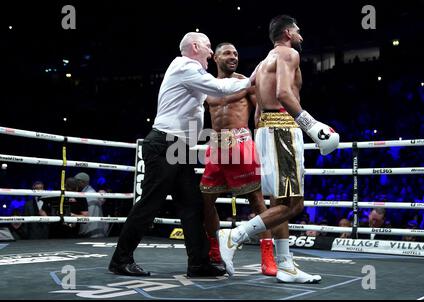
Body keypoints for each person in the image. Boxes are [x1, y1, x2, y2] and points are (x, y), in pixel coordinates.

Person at [109, 32, 253, 277]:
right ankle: (120, 260)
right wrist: (255, 79)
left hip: (179, 146)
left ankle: (198, 263)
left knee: (192, 205)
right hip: (165, 143)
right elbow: (218, 87)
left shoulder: (188, 71)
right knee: (150, 203)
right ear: (195, 47)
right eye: (208, 47)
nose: (210, 53)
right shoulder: (184, 65)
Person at [217, 15, 339, 283]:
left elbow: (257, 107)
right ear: (287, 32)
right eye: (297, 30)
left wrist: (263, 134)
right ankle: (235, 235)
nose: (301, 36)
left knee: (280, 202)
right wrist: (312, 126)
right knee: (294, 204)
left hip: (265, 130)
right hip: (282, 128)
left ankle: (285, 265)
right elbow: (284, 92)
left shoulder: (262, 63)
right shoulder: (288, 53)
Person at [200, 42, 277, 276]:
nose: (233, 57)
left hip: (241, 141)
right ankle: (215, 251)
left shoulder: (246, 82)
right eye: (227, 53)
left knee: (256, 200)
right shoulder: (206, 86)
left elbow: (261, 110)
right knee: (205, 201)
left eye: (236, 53)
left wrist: (263, 141)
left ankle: (268, 256)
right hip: (216, 144)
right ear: (216, 58)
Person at [74, 172, 107, 238]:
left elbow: (87, 214)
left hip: (91, 232)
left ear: (82, 182)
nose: (74, 184)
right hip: (94, 231)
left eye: (76, 182)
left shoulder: (88, 195)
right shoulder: (89, 192)